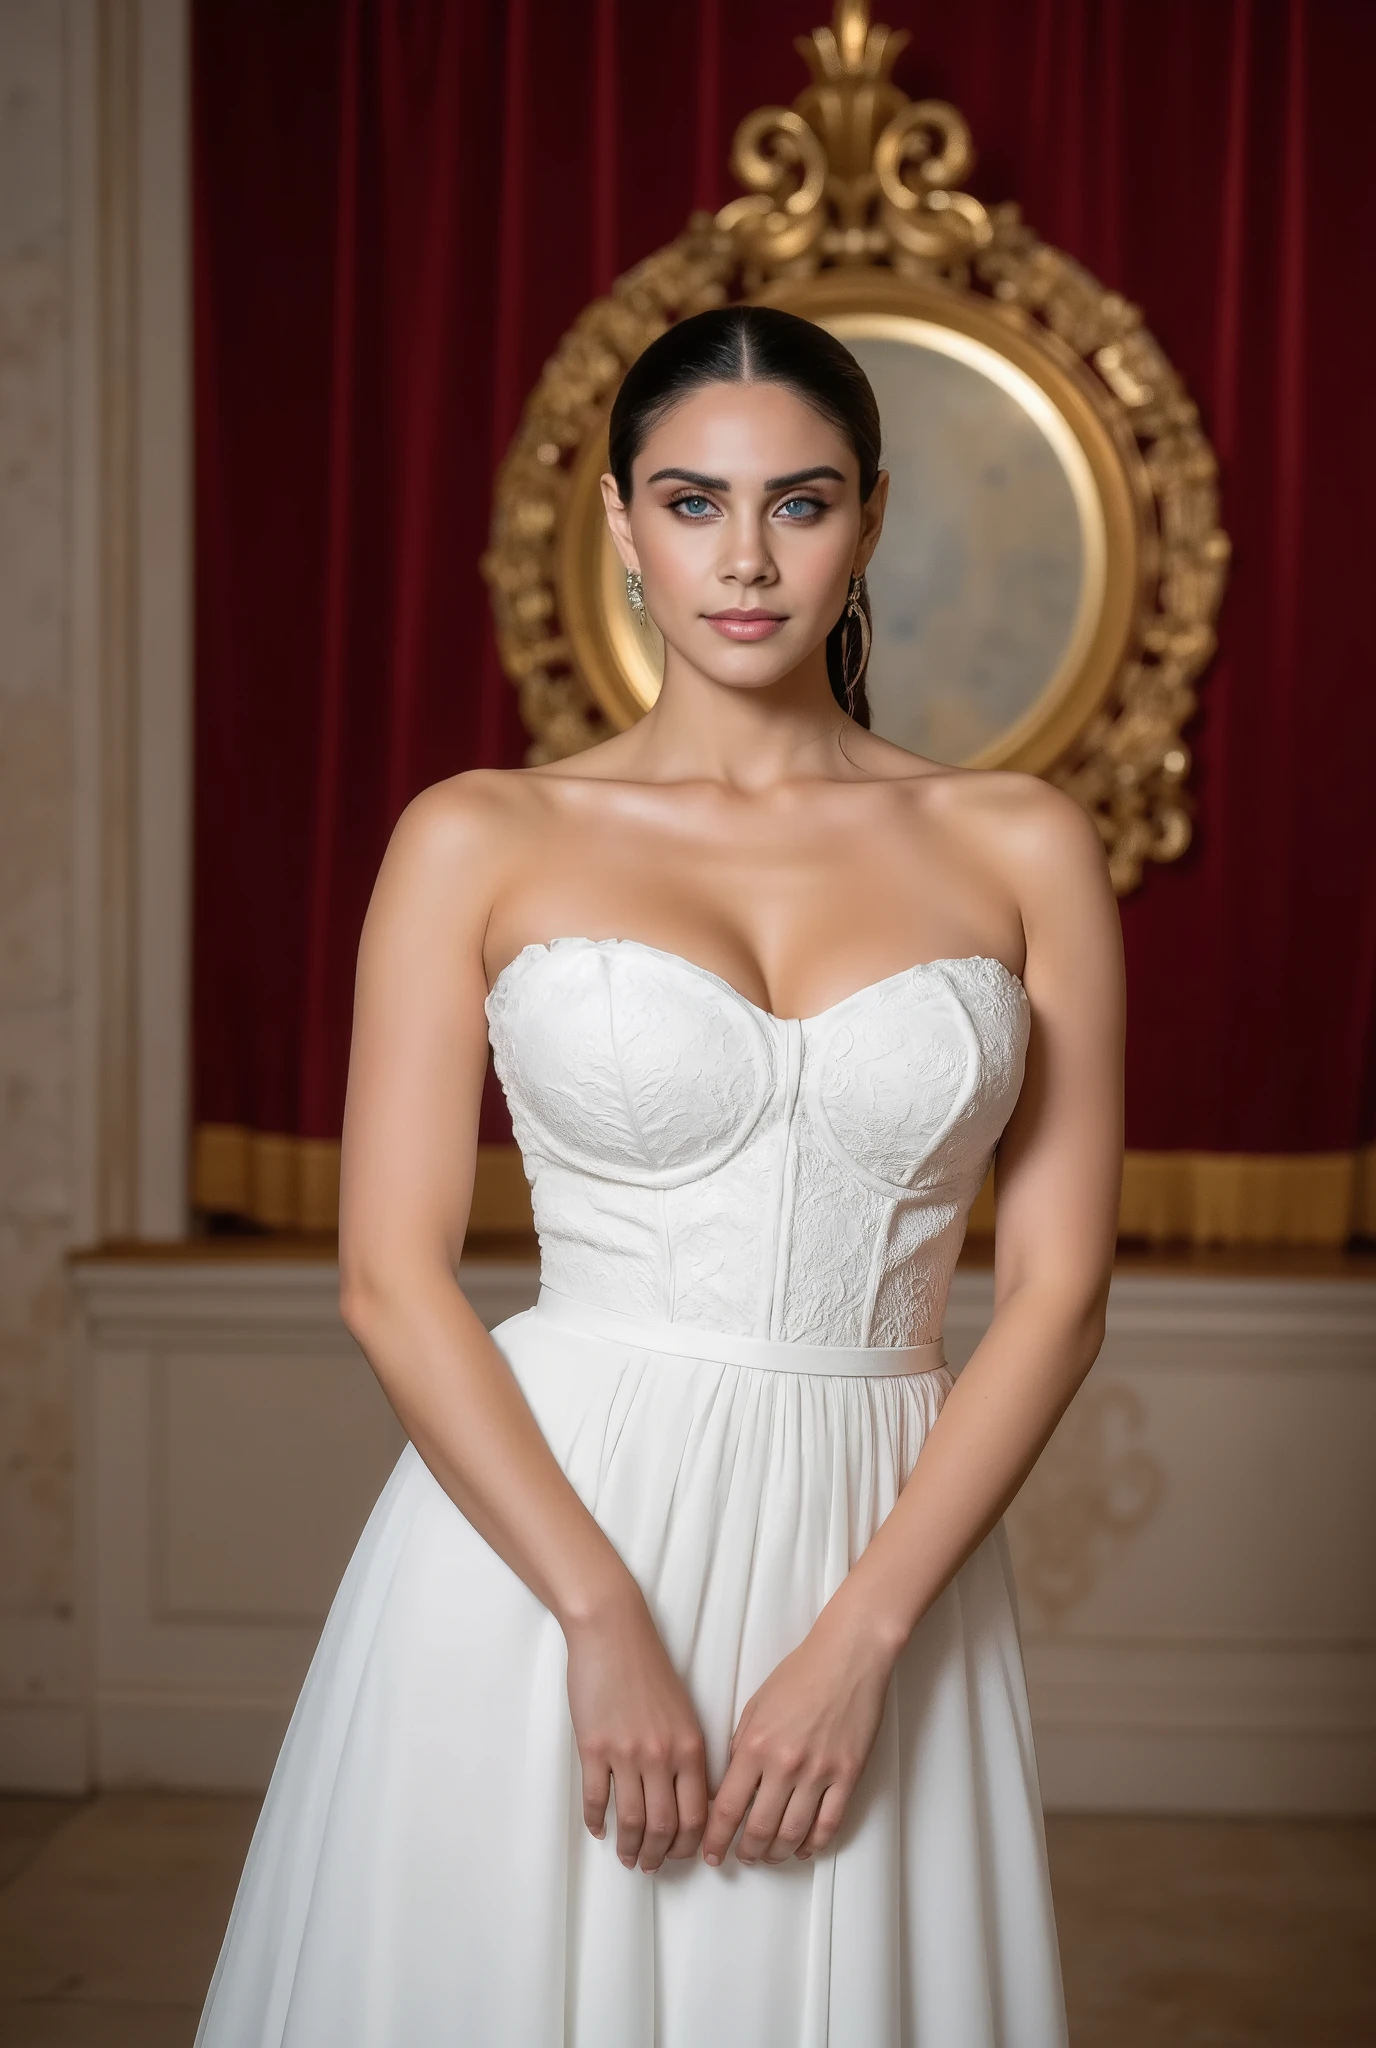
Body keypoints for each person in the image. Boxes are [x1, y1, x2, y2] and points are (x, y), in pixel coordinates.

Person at [196, 304, 1123, 2047]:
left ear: (869, 521)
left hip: (880, 1537)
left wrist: (865, 1640)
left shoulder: (1020, 842)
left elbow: (1060, 1291)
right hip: (545, 1535)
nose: (747, 556)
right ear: (621, 524)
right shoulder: (480, 834)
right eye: (694, 503)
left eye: (801, 501)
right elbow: (390, 1280)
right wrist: (595, 1612)